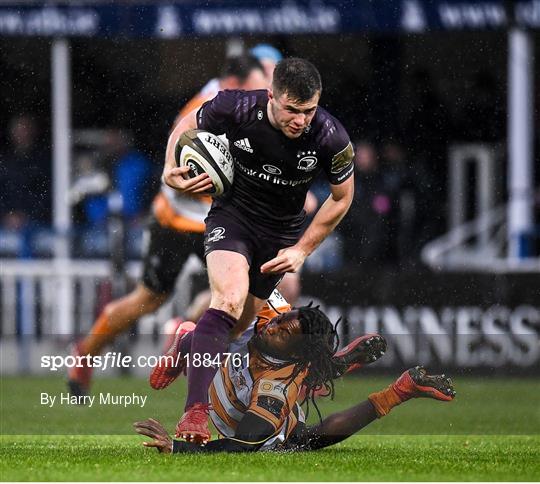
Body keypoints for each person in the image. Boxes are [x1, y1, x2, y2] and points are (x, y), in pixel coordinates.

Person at [162, 57, 355, 442]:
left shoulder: (330, 136)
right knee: (228, 301)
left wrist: (302, 249)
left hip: (281, 235)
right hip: (232, 218)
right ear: (272, 95)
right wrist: (169, 166)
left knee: (238, 329)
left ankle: (189, 341)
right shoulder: (236, 106)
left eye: (309, 110)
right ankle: (194, 414)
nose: (301, 120)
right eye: (292, 110)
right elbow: (188, 125)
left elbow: (342, 198)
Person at [67, 54, 269, 397]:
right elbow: (198, 167)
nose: (260, 98)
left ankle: (89, 353)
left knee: (151, 298)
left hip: (177, 220)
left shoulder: (218, 102)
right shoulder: (213, 108)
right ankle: (93, 353)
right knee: (237, 296)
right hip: (196, 221)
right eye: (255, 88)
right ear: (235, 85)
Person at [135, 303, 455, 453]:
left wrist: (177, 449)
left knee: (299, 441)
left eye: (284, 330)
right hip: (230, 365)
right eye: (284, 319)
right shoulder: (267, 314)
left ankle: (397, 390)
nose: (275, 326)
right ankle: (190, 341)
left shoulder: (276, 387)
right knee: (224, 325)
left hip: (262, 408)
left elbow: (246, 442)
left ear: (292, 351)